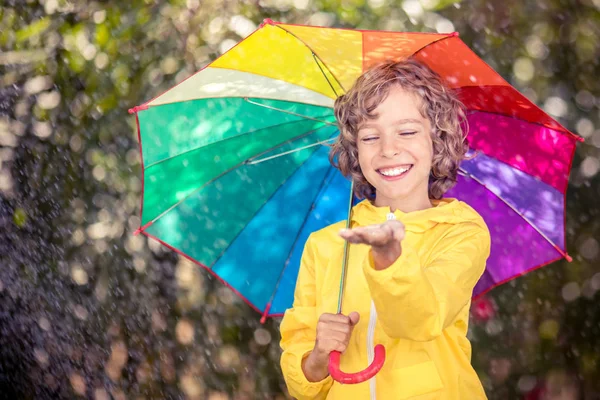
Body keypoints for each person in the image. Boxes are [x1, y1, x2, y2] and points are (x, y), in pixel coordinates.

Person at [279, 59, 491, 399]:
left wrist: (390, 259)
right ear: (355, 148)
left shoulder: (461, 231)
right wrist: (318, 355)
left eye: (407, 131)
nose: (388, 149)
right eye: (370, 136)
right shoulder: (326, 245)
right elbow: (304, 384)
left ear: (438, 140)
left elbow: (421, 319)